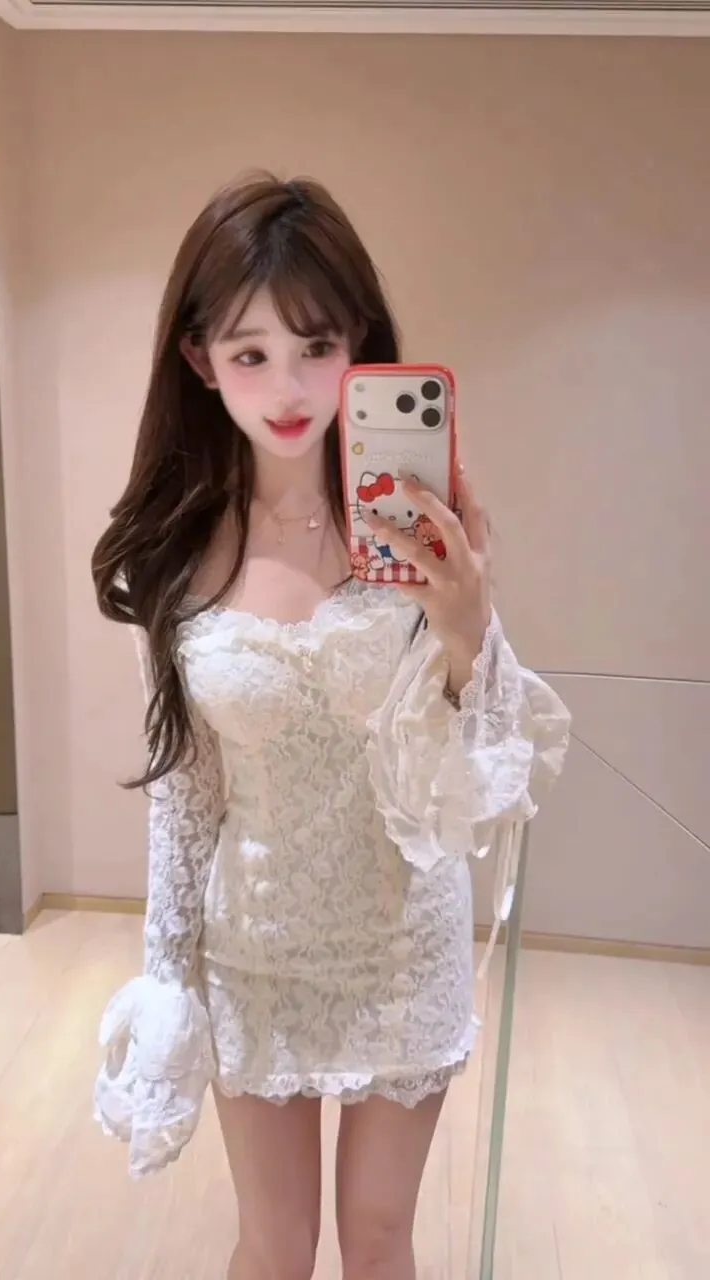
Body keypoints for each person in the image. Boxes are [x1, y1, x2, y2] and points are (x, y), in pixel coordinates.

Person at [90, 172, 571, 1280]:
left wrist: (467, 627)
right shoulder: (179, 550)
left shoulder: (419, 521)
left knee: (380, 1236)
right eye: (250, 352)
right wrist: (167, 977)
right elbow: (188, 792)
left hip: (404, 944)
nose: (288, 386)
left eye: (315, 345)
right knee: (273, 1246)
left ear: (359, 340)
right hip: (253, 950)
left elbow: (485, 774)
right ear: (201, 360)